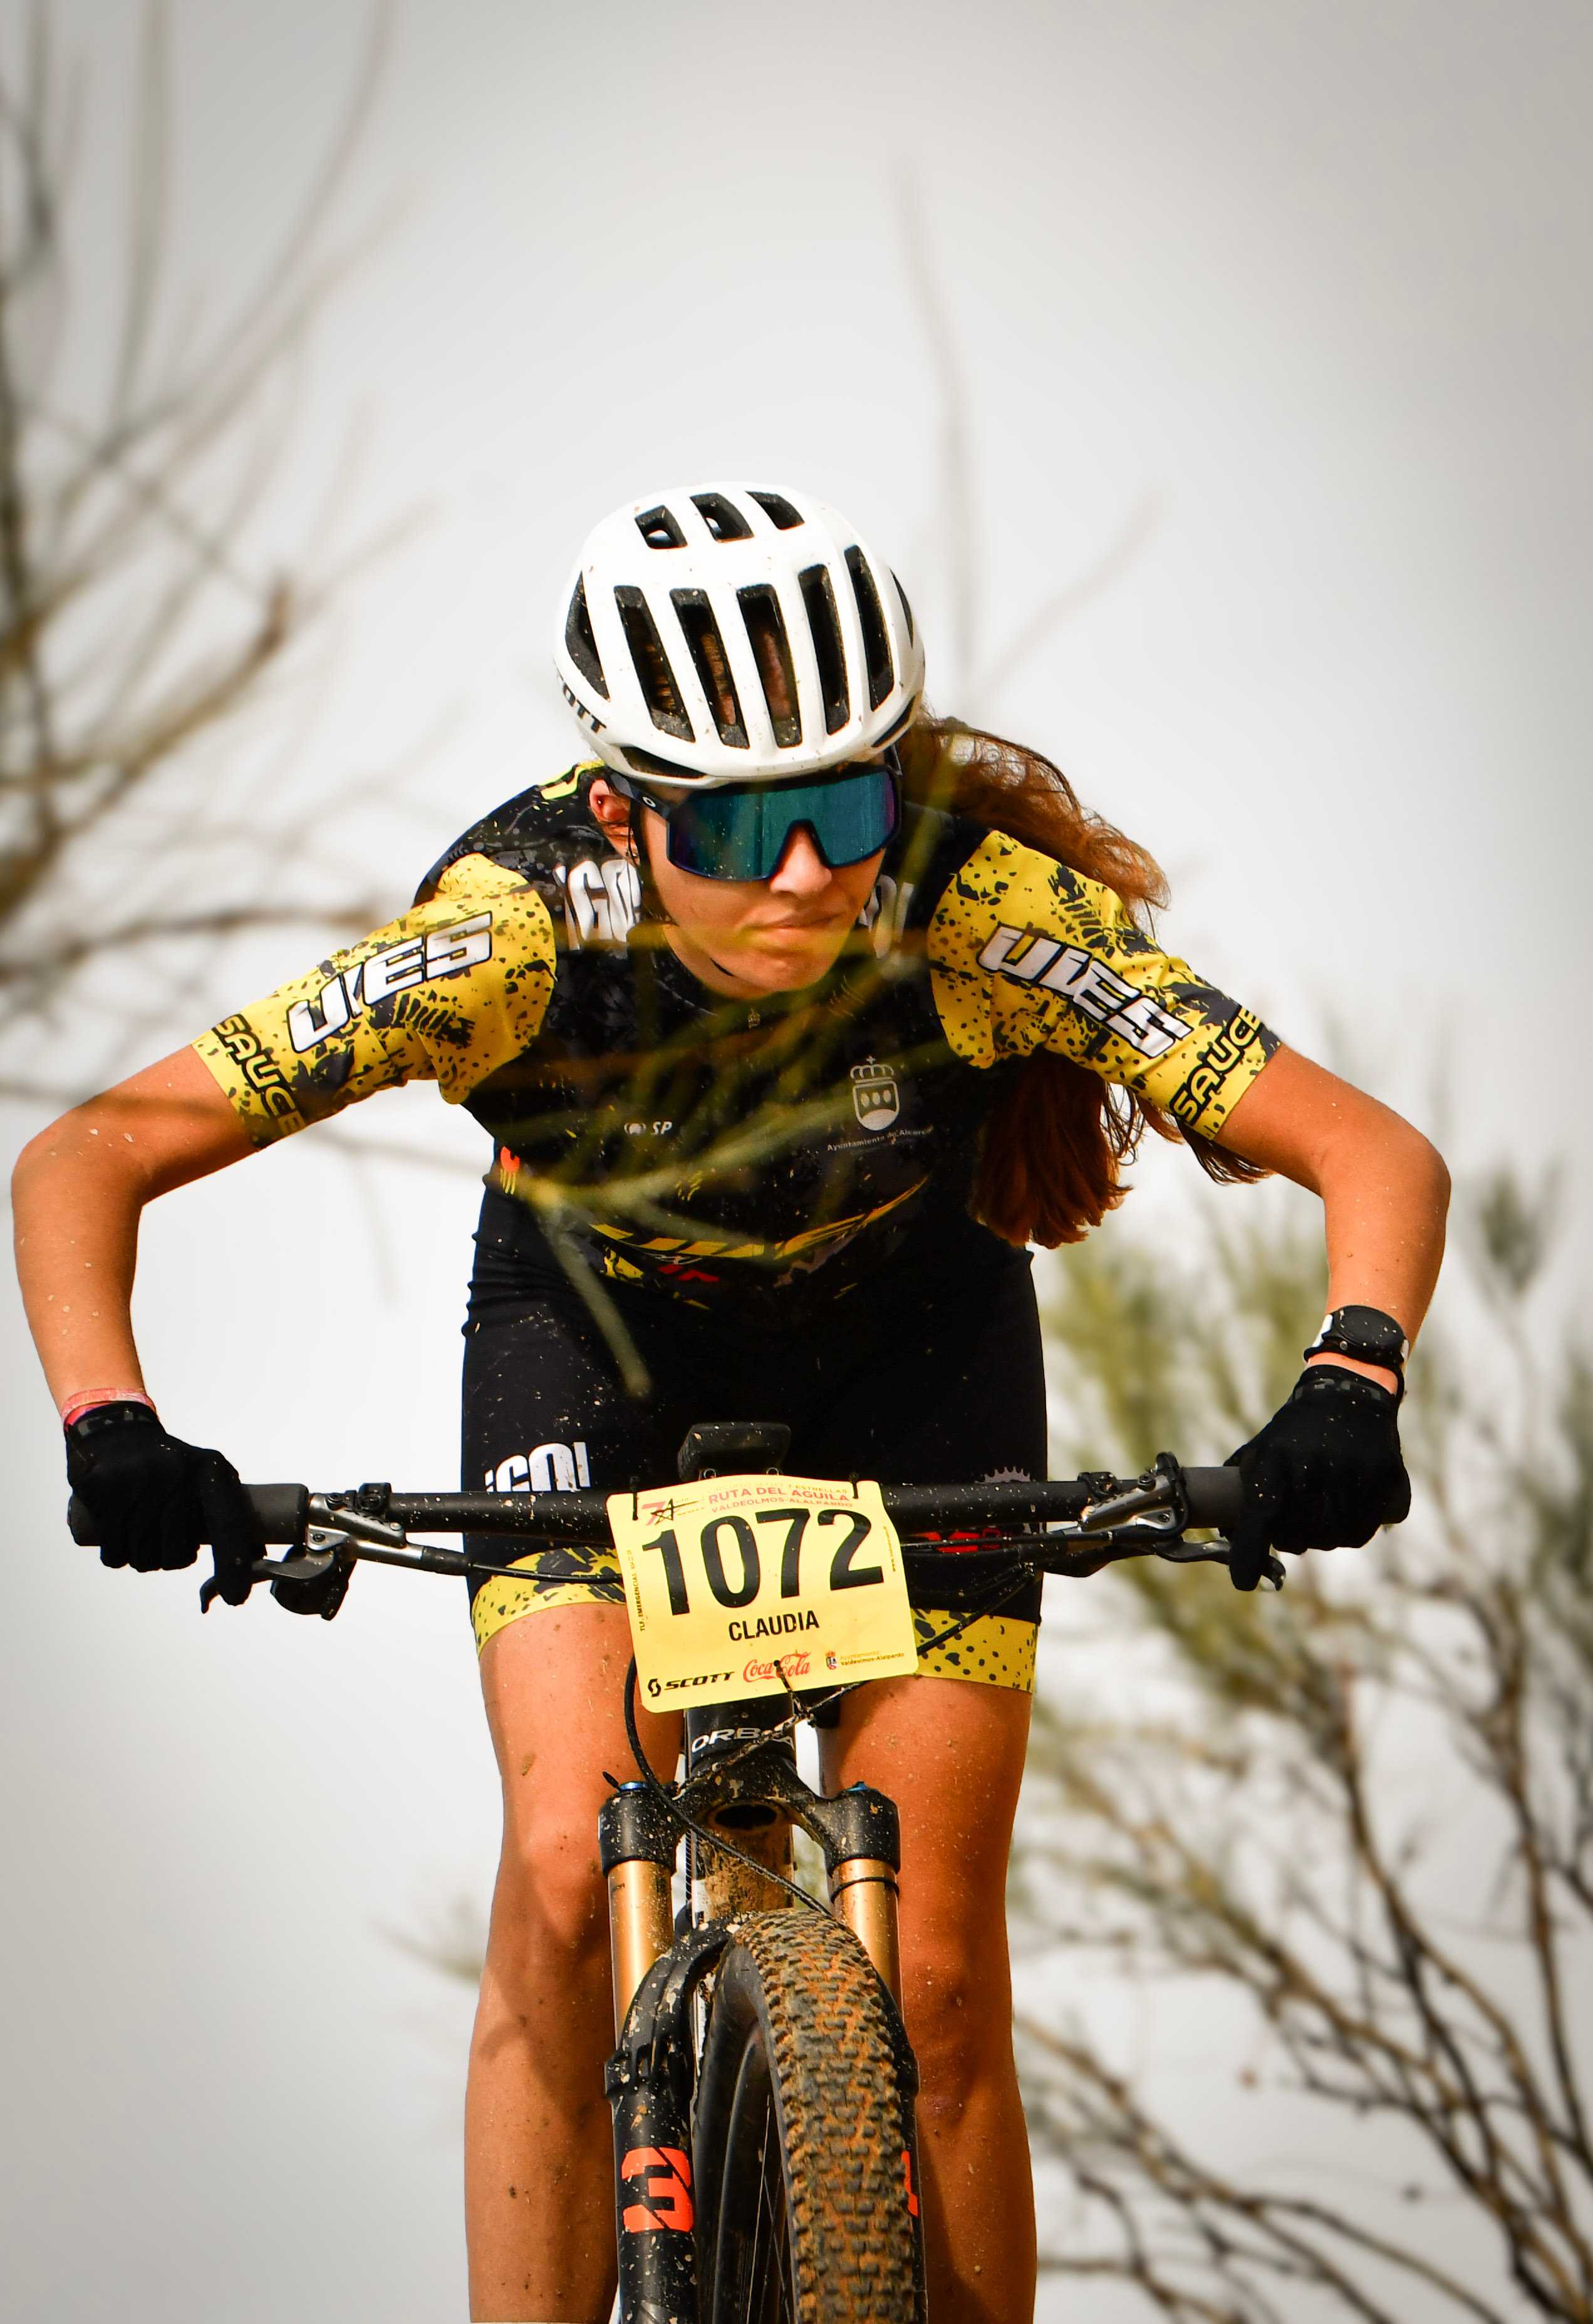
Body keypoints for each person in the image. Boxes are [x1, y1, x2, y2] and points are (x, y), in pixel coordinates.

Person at [13, 481, 1448, 2324]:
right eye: (739, 823)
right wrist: (111, 1421)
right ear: (623, 807)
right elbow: (93, 1151)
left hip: (909, 1356)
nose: (801, 875)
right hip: (596, 1354)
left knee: (931, 1973)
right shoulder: (512, 937)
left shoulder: (979, 910)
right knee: (555, 1875)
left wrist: (1351, 1377)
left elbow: (1368, 1150)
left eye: (842, 808)